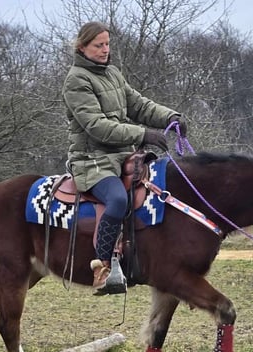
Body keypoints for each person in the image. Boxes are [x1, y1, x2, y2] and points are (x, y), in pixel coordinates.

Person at [62, 21, 187, 295]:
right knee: (117, 200)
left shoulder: (113, 73)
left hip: (122, 155)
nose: (105, 50)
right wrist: (143, 134)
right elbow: (96, 126)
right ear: (82, 47)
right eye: (99, 45)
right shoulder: (76, 80)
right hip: (92, 160)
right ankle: (104, 267)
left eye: (107, 44)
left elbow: (138, 105)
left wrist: (170, 117)